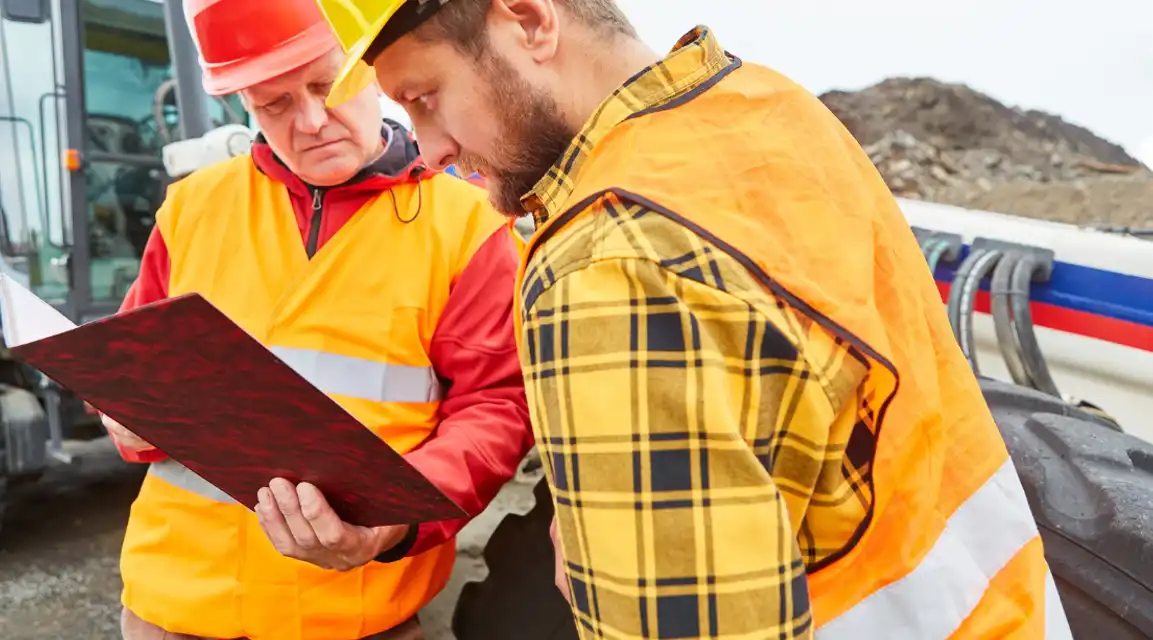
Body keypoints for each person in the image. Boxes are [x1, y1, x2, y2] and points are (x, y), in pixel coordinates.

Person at [312, 1, 1077, 638]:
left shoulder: (604, 264)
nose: (432, 147)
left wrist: (601, 573)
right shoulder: (766, 107)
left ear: (529, 19)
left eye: (424, 99)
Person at [99, 0, 532, 638]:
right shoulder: (191, 209)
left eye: (327, 86)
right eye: (272, 104)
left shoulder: (466, 226)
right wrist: (127, 416)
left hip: (354, 610)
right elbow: (131, 370)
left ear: (373, 71)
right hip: (172, 605)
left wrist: (394, 520)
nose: (308, 122)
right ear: (241, 101)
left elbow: (497, 406)